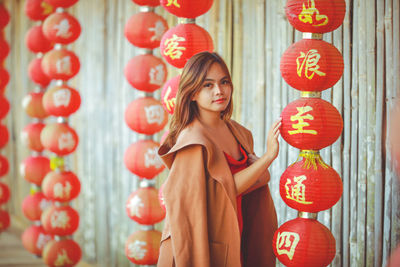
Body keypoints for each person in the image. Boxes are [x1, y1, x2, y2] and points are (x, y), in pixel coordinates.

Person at [157, 51, 280, 267]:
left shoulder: (238, 132)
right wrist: (268, 156)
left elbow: (259, 179)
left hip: (239, 231)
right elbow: (226, 191)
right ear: (192, 92)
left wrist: (262, 167)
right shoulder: (193, 141)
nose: (219, 91)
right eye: (208, 85)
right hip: (207, 242)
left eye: (224, 82)